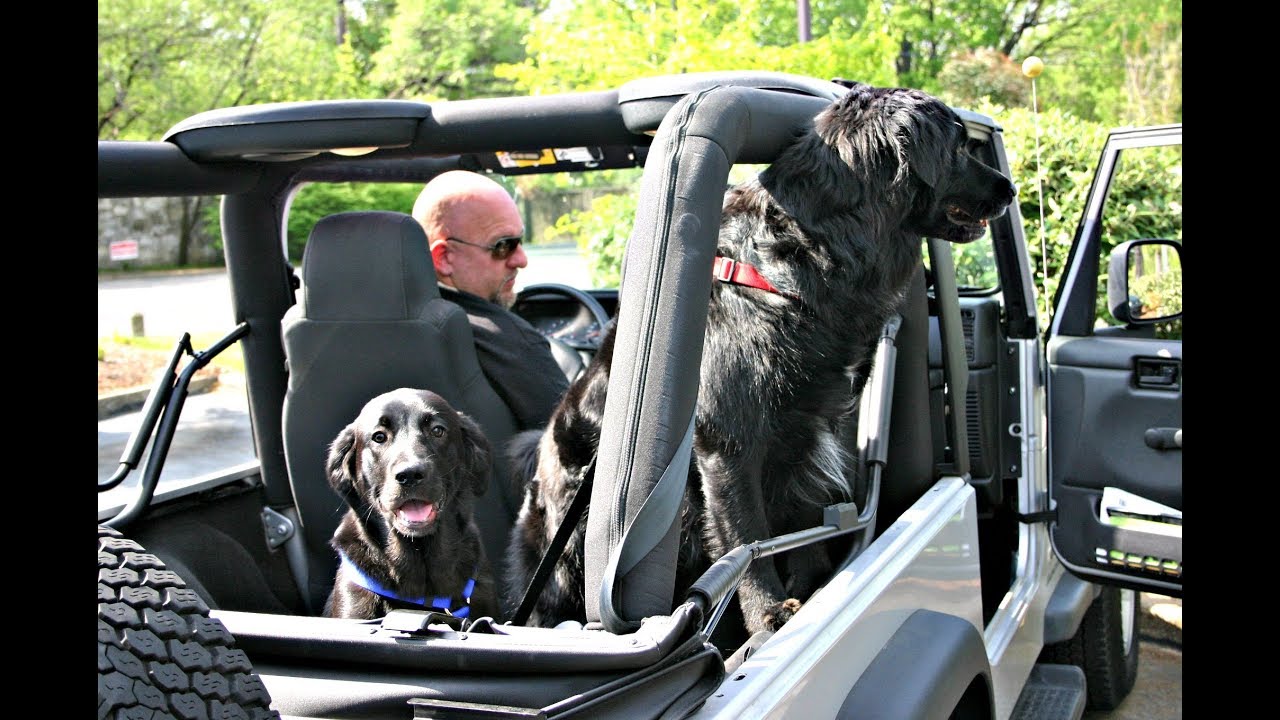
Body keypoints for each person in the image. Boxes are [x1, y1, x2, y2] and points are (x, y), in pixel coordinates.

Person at [412, 170, 569, 431]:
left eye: (521, 240)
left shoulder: (351, 333)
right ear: (444, 257)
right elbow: (582, 449)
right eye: (503, 245)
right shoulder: (508, 340)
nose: (521, 259)